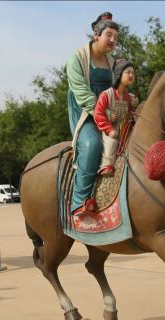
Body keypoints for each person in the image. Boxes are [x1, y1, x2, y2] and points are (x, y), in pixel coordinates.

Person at [65, 12, 119, 216]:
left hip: (111, 111)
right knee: (92, 144)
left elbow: (119, 88)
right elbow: (81, 93)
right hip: (85, 113)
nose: (113, 40)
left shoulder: (113, 62)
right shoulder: (77, 58)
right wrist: (103, 113)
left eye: (115, 36)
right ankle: (79, 200)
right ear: (96, 34)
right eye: (109, 35)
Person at [94, 59, 139, 176]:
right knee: (111, 142)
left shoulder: (129, 97)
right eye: (128, 72)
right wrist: (109, 130)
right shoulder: (106, 95)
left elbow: (131, 114)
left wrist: (134, 108)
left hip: (124, 130)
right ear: (119, 74)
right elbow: (98, 113)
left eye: (133, 73)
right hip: (109, 130)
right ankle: (106, 166)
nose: (131, 75)